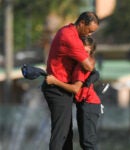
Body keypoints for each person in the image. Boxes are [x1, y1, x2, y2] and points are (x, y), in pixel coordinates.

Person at [41, 11, 100, 150]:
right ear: (81, 24)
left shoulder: (66, 31)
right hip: (57, 89)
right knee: (61, 134)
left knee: (66, 133)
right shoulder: (70, 38)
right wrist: (92, 66)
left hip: (61, 88)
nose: (89, 35)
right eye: (89, 31)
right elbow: (88, 65)